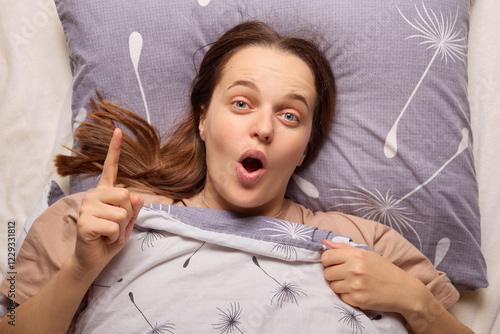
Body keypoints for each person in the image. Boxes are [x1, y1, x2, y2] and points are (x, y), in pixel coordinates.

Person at [0, 21, 472, 333]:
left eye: (289, 116)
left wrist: (418, 305)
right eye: (242, 103)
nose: (263, 128)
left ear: (306, 145)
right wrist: (80, 270)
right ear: (203, 120)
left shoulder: (368, 243)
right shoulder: (97, 219)